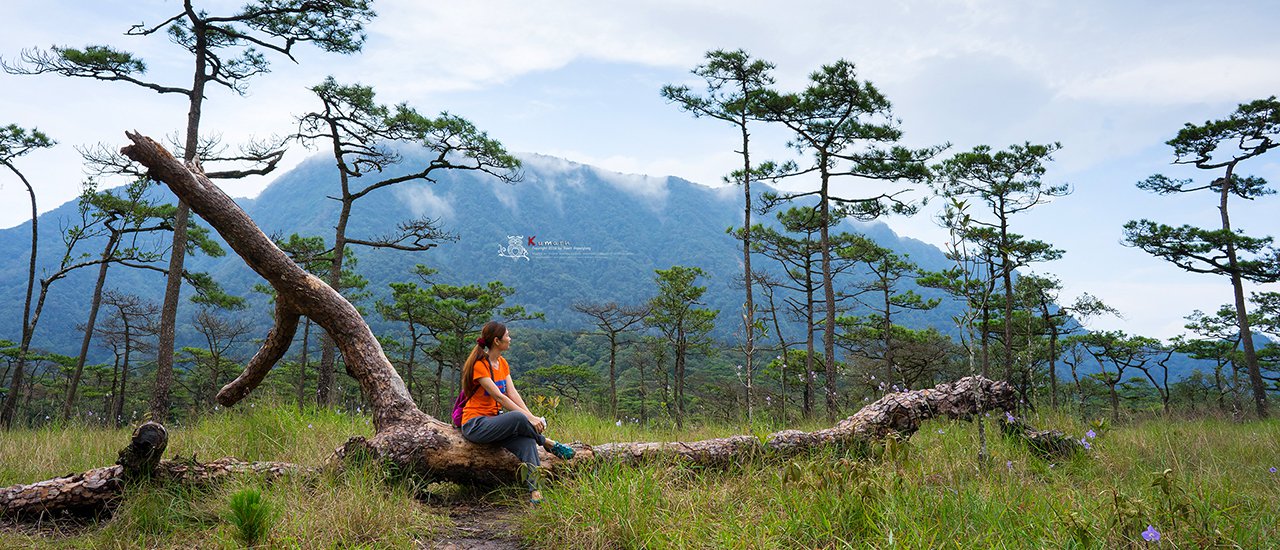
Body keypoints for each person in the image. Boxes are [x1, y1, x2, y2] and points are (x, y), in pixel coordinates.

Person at [459, 321, 575, 503]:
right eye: (507, 336)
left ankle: (536, 493)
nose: (510, 338)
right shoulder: (480, 365)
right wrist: (527, 418)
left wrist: (532, 418)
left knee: (528, 442)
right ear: (497, 341)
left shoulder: (502, 363)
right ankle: (548, 443)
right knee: (517, 417)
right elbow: (500, 397)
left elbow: (512, 393)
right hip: (476, 424)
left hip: (496, 424)